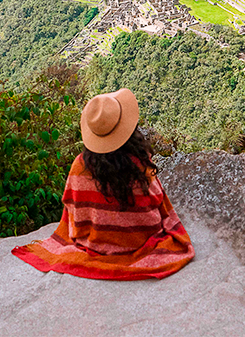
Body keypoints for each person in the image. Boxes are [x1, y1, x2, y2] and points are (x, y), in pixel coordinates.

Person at [12, 88, 194, 280]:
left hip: (94, 243)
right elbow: (157, 201)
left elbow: (71, 206)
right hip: (141, 239)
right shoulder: (140, 166)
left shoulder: (79, 166)